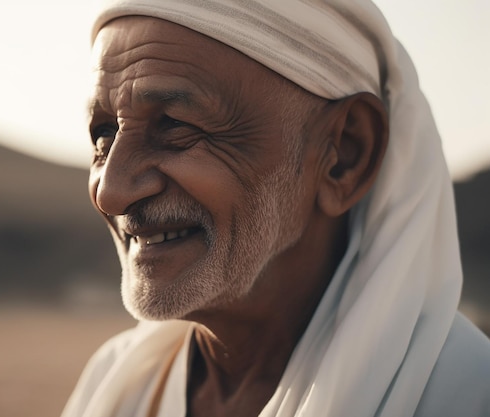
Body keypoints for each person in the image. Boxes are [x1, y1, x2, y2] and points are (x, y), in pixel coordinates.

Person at [62, 1, 490, 416]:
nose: (111, 192)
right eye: (103, 135)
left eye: (175, 124)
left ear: (343, 154)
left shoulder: (466, 394)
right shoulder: (112, 383)